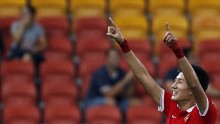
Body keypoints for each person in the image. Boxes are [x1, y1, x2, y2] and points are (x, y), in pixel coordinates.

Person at [107, 17, 216, 123]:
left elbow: (194, 83)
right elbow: (143, 76)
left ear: (192, 91)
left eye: (180, 82)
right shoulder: (172, 105)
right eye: (176, 81)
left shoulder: (205, 113)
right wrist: (123, 43)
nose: (174, 85)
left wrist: (177, 50)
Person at [84, 48, 135, 112]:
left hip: (116, 100)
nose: (115, 60)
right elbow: (109, 94)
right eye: (113, 57)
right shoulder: (100, 73)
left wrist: (131, 81)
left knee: (134, 103)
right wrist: (126, 80)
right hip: (93, 100)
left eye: (117, 57)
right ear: (106, 59)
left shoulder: (121, 72)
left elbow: (128, 95)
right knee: (110, 102)